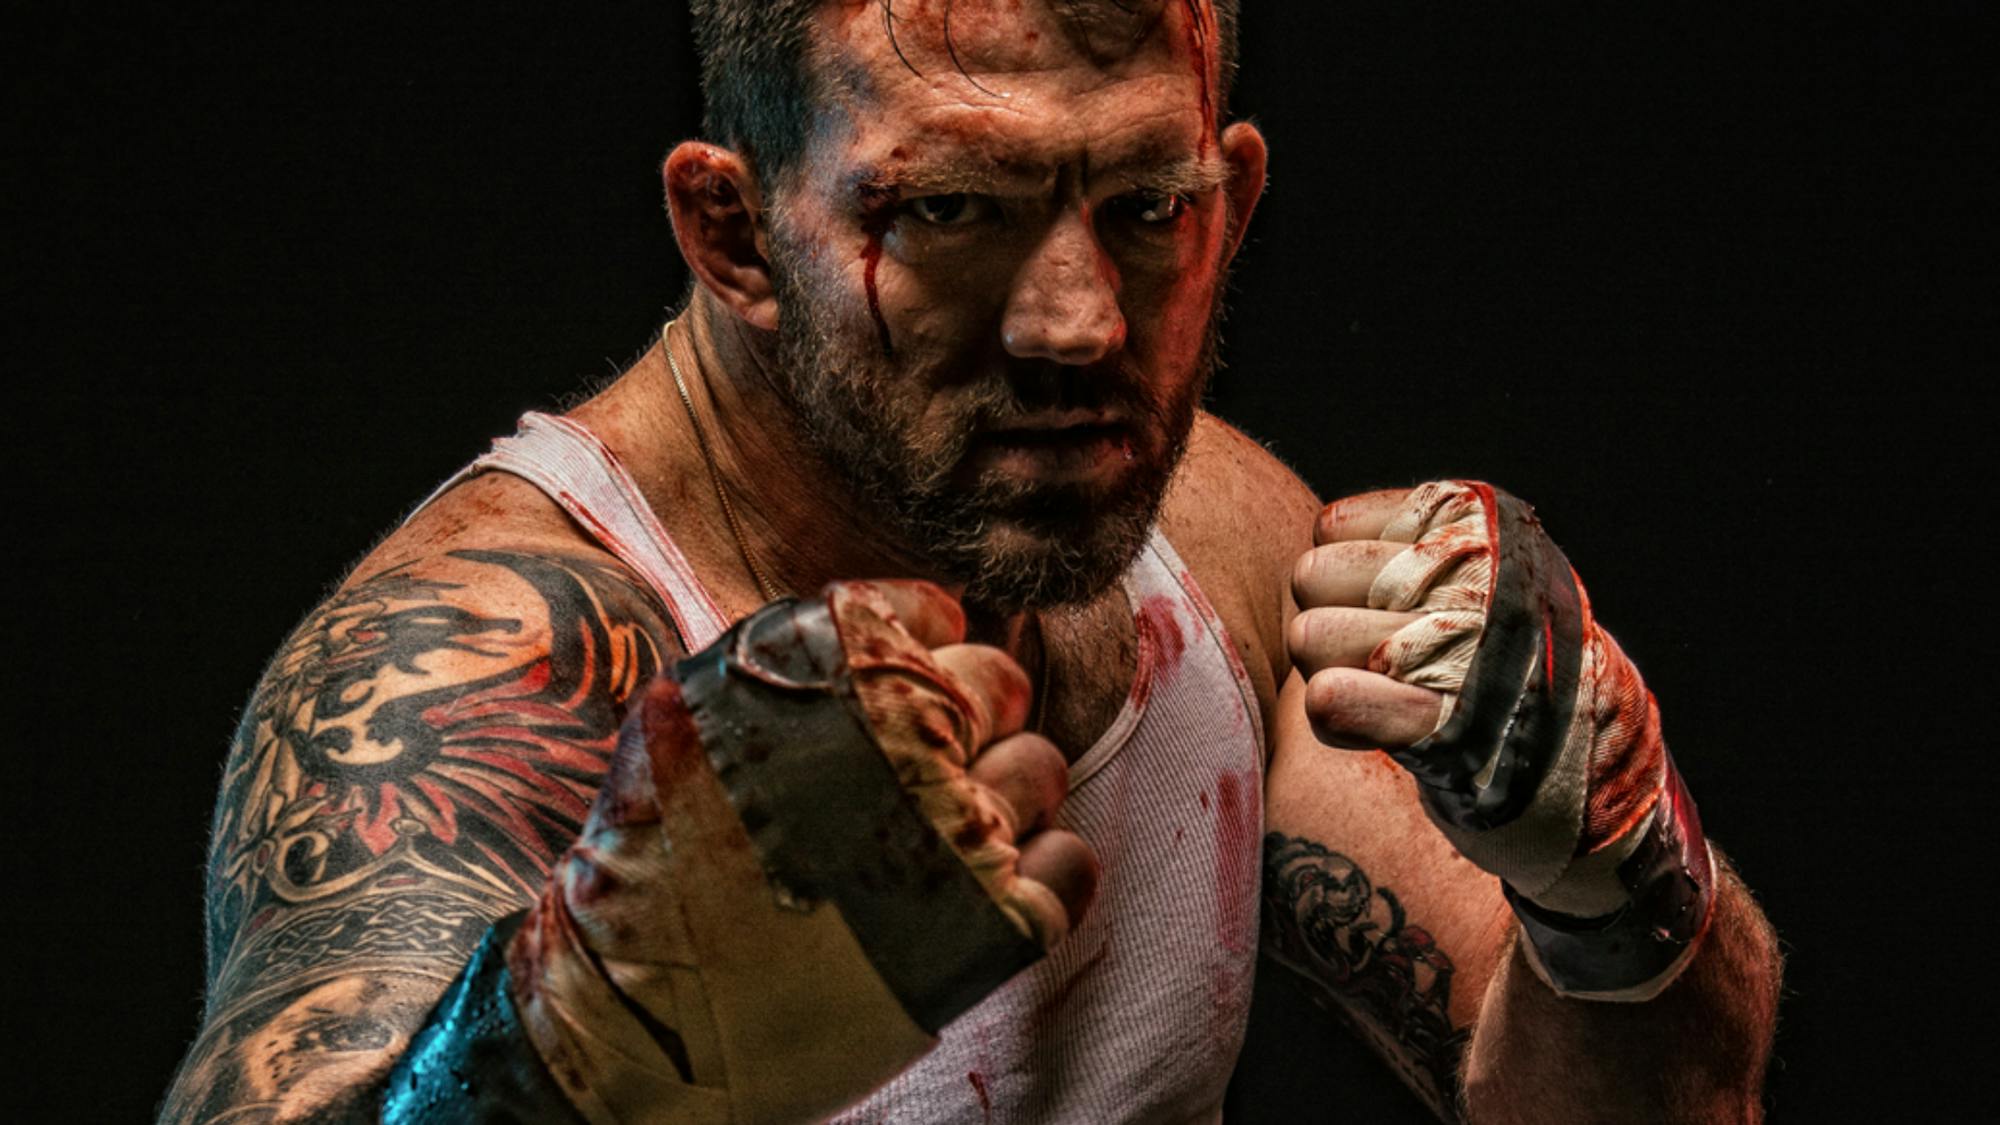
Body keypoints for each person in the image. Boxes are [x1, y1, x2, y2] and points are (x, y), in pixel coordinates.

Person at [161, 1, 1781, 1121]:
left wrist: (1623, 869)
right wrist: (568, 1052)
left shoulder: (1214, 537)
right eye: (949, 212)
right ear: (734, 235)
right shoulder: (482, 662)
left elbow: (1668, 1099)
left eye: (1147, 206)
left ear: (1233, 196)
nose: (1076, 324)